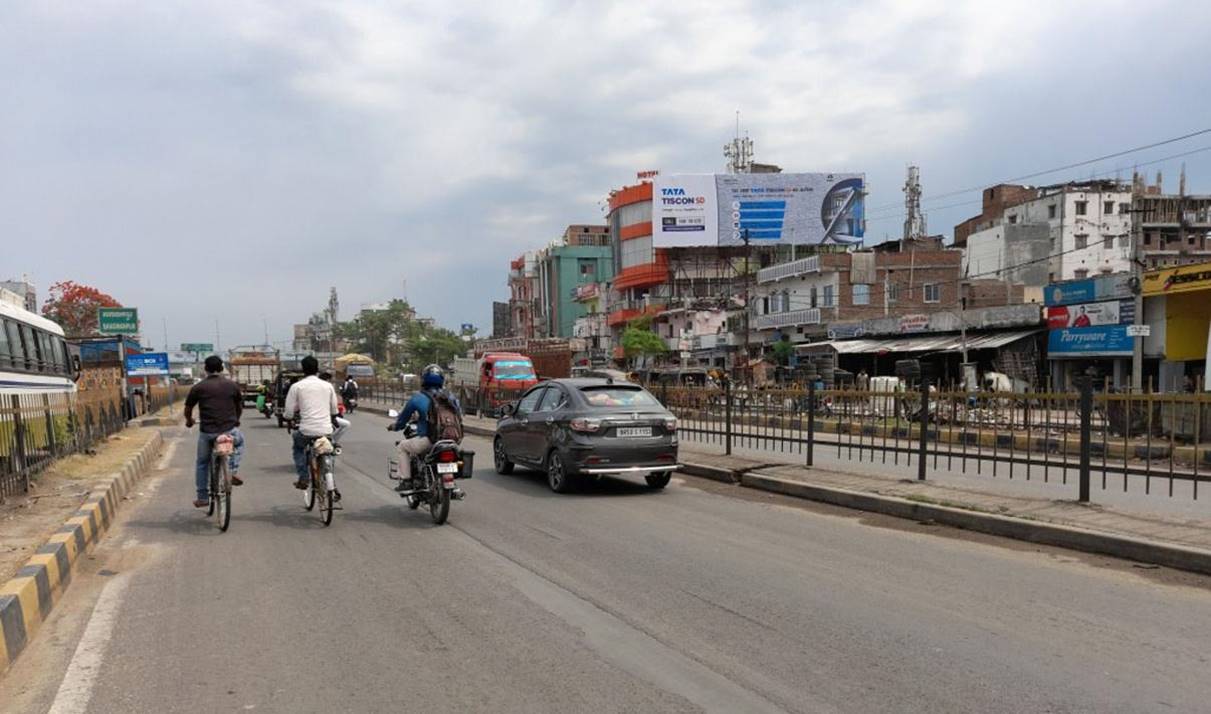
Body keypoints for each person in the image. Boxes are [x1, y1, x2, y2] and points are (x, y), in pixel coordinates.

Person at [184, 356, 245, 508]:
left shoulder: (199, 387)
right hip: (229, 429)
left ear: (206, 369)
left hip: (208, 432)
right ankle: (231, 470)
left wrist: (189, 420)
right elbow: (239, 406)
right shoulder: (232, 386)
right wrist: (236, 420)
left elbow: (188, 408)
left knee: (202, 463)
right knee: (239, 442)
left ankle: (203, 497)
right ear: (222, 368)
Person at [388, 364, 461, 492]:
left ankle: (406, 480)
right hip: (452, 440)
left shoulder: (418, 398)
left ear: (423, 379)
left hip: (429, 440)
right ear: (442, 379)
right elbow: (459, 416)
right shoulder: (451, 397)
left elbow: (402, 420)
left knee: (402, 447)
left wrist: (394, 426)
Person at [283, 356, 340, 494]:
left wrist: (288, 419)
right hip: (325, 430)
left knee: (298, 447)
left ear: (303, 370)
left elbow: (289, 412)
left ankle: (303, 477)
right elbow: (334, 409)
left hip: (306, 430)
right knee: (329, 449)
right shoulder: (328, 386)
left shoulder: (297, 386)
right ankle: (329, 474)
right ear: (317, 369)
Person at [319, 371, 350, 452]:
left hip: (315, 418)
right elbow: (334, 406)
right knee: (346, 424)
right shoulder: (328, 388)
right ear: (327, 380)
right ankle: (333, 441)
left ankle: (332, 441)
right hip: (325, 418)